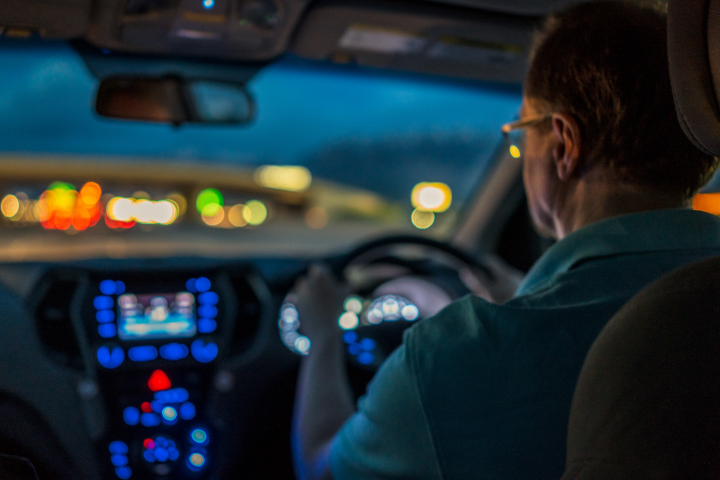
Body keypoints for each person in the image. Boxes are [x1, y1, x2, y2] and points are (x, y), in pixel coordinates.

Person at [289, 2, 720, 480]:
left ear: (563, 144)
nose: (520, 153)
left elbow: (321, 468)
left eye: (521, 133)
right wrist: (521, 300)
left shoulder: (453, 358)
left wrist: (323, 337)